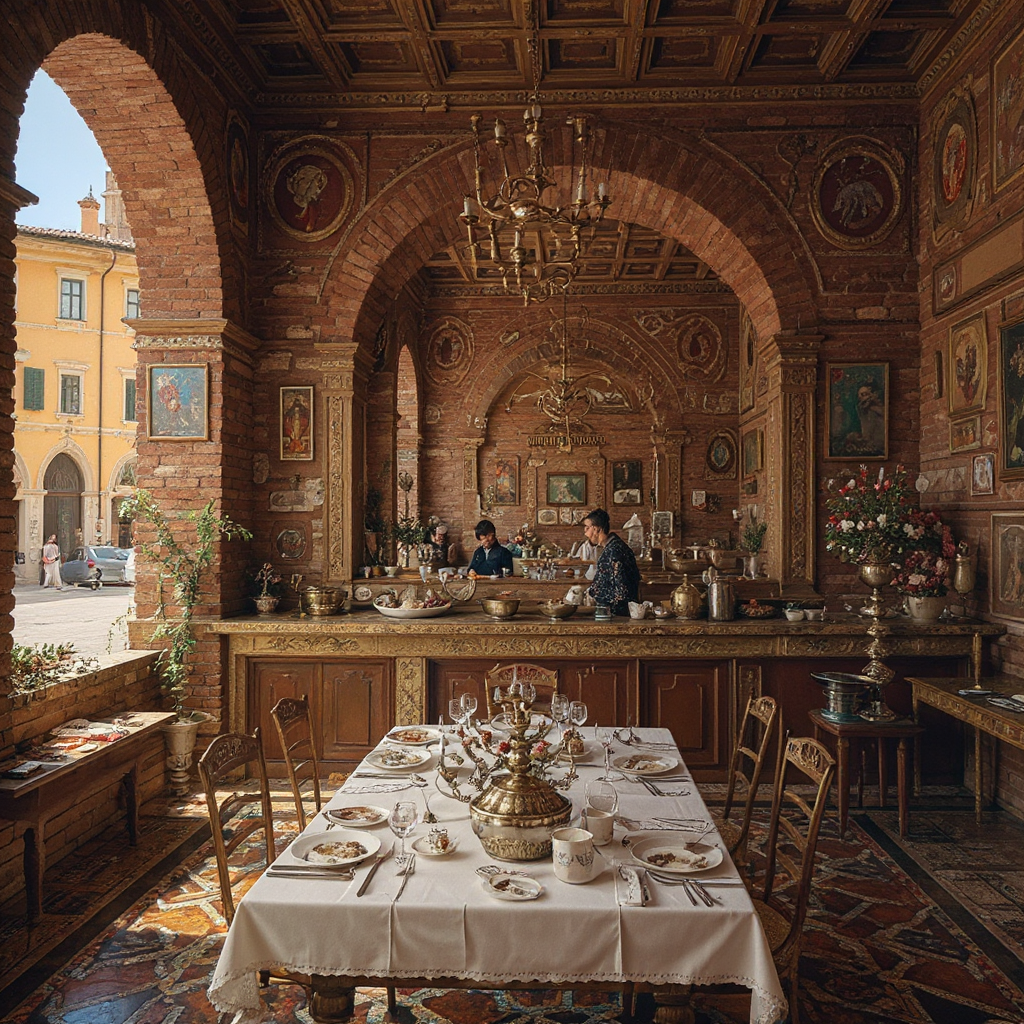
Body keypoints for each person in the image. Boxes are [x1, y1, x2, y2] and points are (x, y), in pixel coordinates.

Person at [583, 509, 640, 616]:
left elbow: (621, 590)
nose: (585, 532)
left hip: (618, 614)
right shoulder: (613, 546)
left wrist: (593, 594)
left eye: (587, 527)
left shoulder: (614, 551)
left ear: (596, 529)